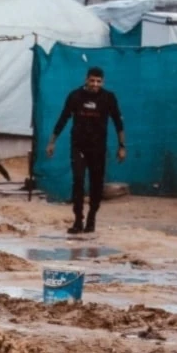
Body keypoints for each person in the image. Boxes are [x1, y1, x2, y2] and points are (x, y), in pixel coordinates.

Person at [46, 66, 126, 235]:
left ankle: (91, 218)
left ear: (102, 82)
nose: (95, 84)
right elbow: (63, 118)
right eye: (92, 80)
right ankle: (77, 220)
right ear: (86, 79)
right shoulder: (75, 96)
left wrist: (122, 146)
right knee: (78, 181)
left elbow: (118, 122)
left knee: (96, 184)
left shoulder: (108, 98)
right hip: (78, 147)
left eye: (98, 81)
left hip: (98, 149)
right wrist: (52, 142)